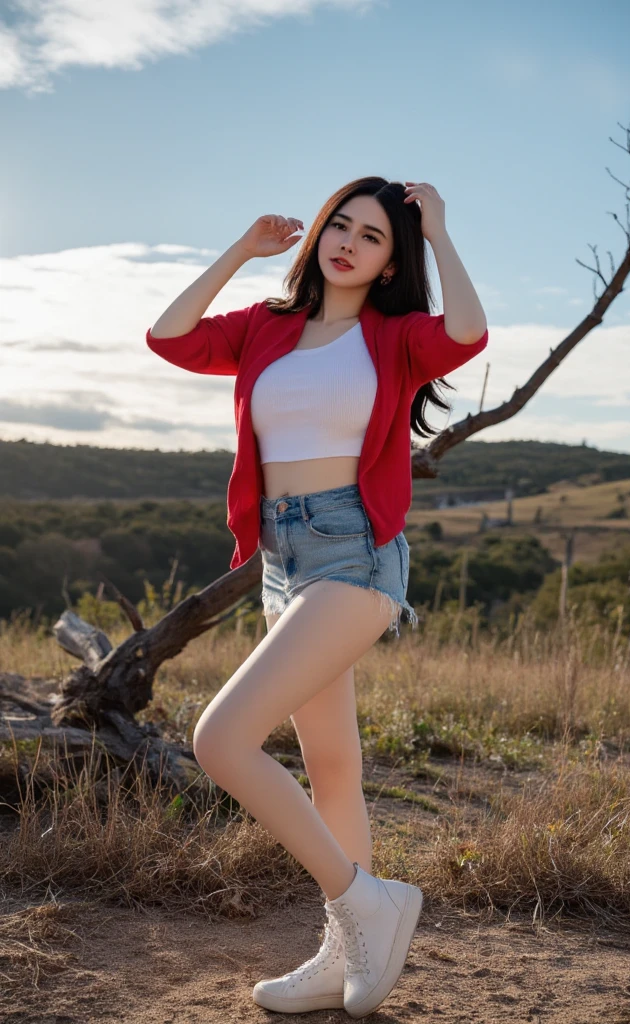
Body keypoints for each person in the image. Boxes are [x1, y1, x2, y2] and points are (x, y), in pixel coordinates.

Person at [145, 176, 488, 1018]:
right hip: (281, 559)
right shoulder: (268, 324)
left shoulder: (398, 334)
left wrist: (437, 229)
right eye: (339, 225)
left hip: (355, 555)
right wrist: (240, 249)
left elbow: (469, 335)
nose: (347, 242)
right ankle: (345, 951)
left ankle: (368, 903)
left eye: (371, 237)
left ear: (388, 262)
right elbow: (169, 337)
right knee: (333, 766)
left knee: (221, 738)